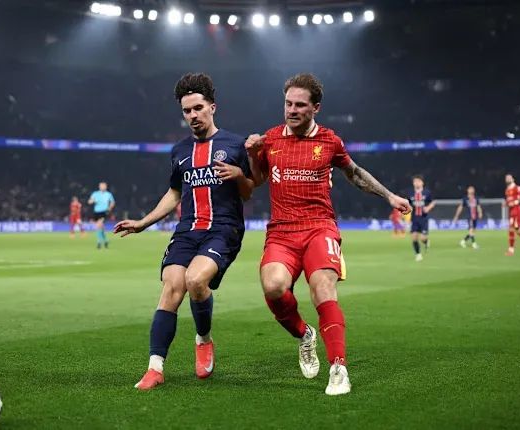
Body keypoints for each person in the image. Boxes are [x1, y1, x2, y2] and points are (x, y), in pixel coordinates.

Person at [244, 73, 411, 396]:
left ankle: (338, 368)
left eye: (300, 105)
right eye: (288, 103)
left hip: (319, 227)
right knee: (273, 286)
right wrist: (253, 153)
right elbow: (258, 179)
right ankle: (305, 335)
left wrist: (389, 196)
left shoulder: (330, 141)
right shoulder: (271, 138)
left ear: (315, 108)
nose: (292, 110)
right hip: (282, 231)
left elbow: (355, 173)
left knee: (323, 288)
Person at [114, 73, 254, 390]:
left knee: (195, 280)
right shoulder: (179, 151)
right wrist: (143, 222)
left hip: (223, 229)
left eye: (198, 108)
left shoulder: (234, 144)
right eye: (186, 111)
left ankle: (203, 339)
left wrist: (238, 175)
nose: (192, 115)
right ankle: (155, 368)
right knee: (172, 286)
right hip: (187, 230)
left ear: (212, 107)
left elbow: (248, 192)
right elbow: (175, 193)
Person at [408, 175, 435, 261]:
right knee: (414, 237)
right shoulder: (410, 193)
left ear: (422, 183)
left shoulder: (427, 192)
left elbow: (432, 202)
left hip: (424, 219)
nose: (417, 183)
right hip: (414, 218)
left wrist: (428, 208)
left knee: (423, 238)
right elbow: (407, 204)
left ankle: (426, 241)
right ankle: (418, 254)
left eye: (418, 181)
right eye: (415, 181)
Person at [88, 182, 115, 249]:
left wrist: (110, 208)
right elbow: (89, 201)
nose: (103, 187)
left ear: (106, 187)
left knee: (99, 225)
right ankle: (106, 240)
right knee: (100, 227)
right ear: (99, 187)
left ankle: (99, 242)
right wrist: (92, 201)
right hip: (96, 212)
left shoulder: (108, 194)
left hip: (104, 212)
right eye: (101, 186)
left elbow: (112, 202)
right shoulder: (95, 193)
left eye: (104, 186)